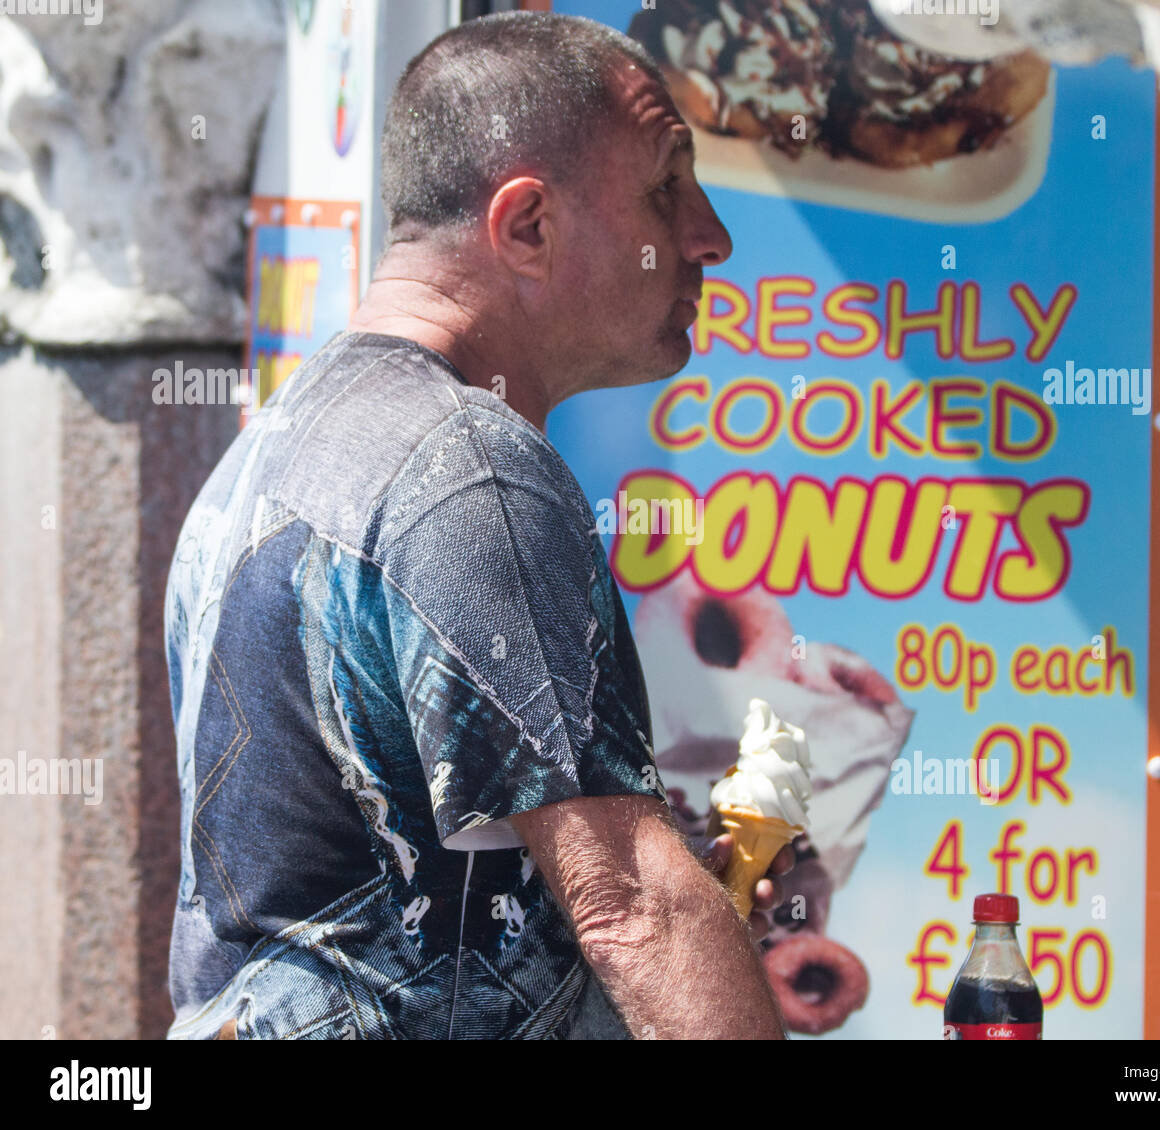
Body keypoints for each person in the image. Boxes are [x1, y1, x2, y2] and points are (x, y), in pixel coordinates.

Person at [163, 10, 791, 1040]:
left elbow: (346, 863)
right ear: (528, 226)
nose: (709, 234)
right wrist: (668, 908)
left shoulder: (270, 444)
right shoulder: (471, 466)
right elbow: (635, 909)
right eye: (667, 184)